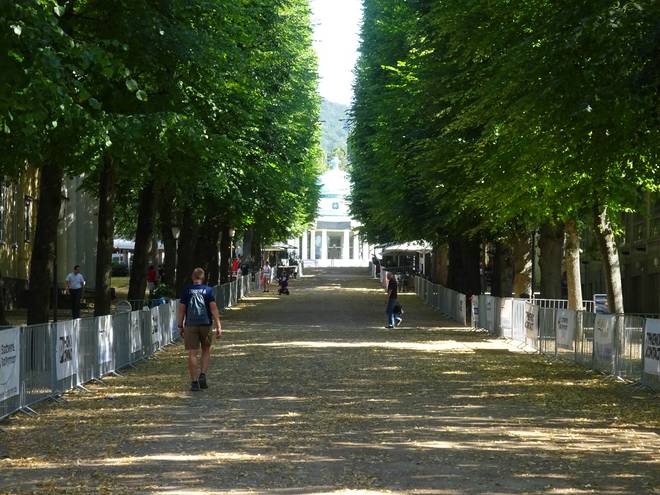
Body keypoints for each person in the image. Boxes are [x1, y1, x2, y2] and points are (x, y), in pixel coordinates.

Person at [177, 267, 222, 392]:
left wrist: (180, 325)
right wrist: (218, 326)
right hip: (206, 324)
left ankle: (194, 382)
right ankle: (203, 374)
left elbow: (181, 310)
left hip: (190, 325)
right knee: (206, 350)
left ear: (192, 277)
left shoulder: (186, 290)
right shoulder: (208, 290)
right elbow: (213, 309)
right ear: (203, 278)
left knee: (192, 353)